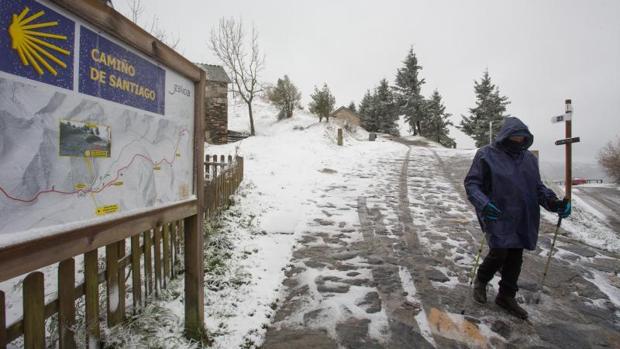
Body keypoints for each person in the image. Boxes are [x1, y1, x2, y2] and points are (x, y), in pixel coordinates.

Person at [464, 117, 571, 319]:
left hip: (523, 214)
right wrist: (483, 203)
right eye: (514, 137)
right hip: (497, 212)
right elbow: (472, 184)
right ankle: (481, 280)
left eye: (522, 137)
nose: (518, 140)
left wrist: (554, 203)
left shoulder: (529, 159)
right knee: (500, 252)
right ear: (505, 135)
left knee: (515, 255)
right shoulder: (486, 155)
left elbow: (538, 188)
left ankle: (506, 295)